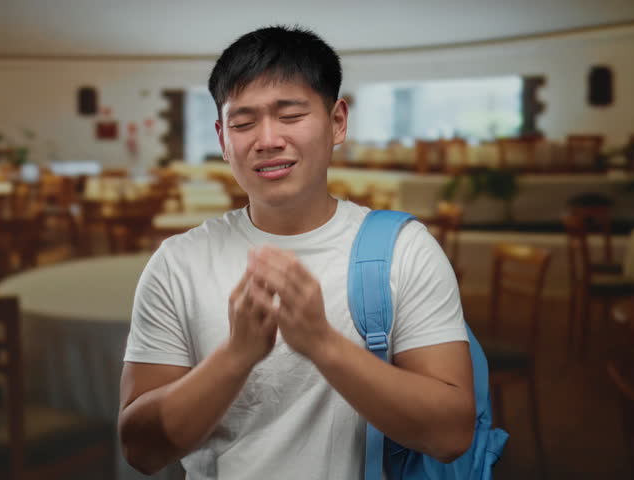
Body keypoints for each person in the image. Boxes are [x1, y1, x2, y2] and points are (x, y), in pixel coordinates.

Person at [119, 25, 475, 480]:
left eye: (290, 115)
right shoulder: (178, 262)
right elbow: (140, 449)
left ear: (337, 121)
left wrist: (322, 344)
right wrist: (236, 356)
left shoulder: (404, 250)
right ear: (222, 139)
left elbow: (451, 435)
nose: (267, 139)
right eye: (243, 122)